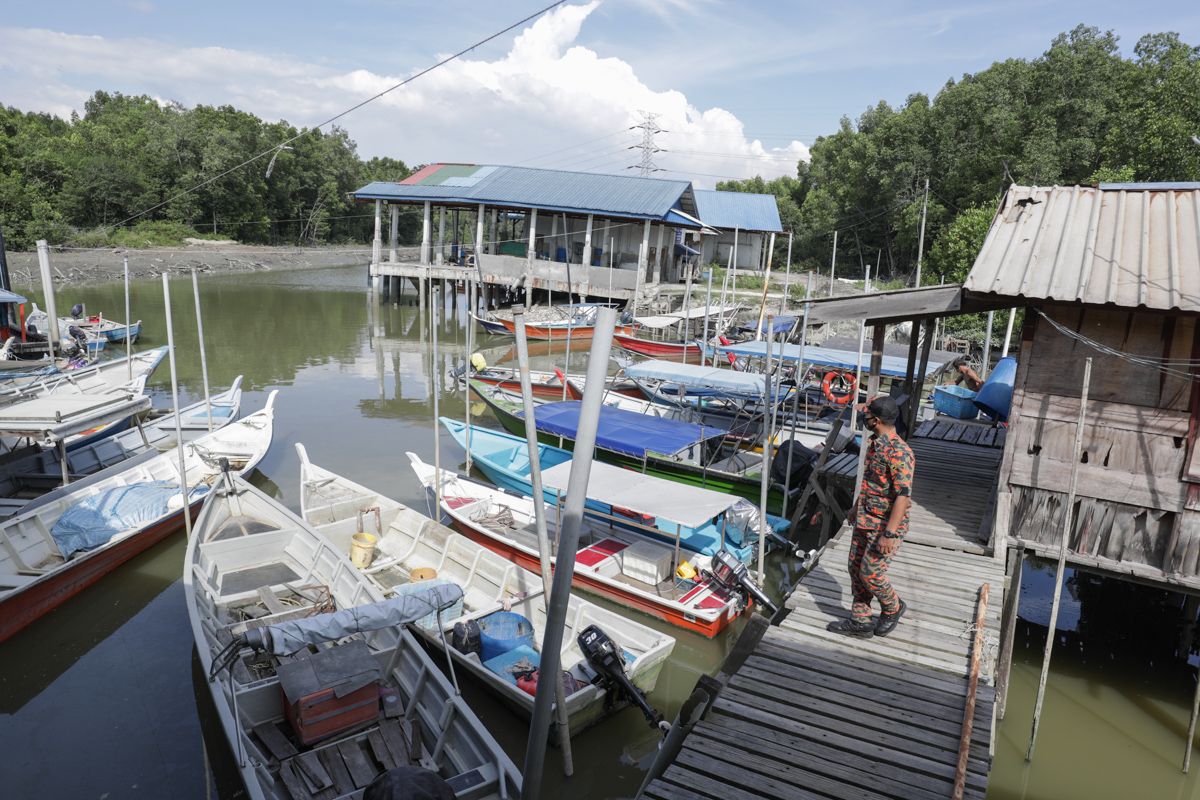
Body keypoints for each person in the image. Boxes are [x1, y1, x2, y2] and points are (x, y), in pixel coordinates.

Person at [827, 395, 915, 638]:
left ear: (875, 420)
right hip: (865, 518)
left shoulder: (899, 452)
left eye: (866, 415)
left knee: (871, 573)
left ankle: (893, 607)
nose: (864, 418)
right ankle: (861, 620)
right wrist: (856, 507)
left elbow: (902, 496)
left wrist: (889, 534)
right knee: (855, 569)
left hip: (884, 526)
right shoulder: (876, 443)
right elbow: (871, 483)